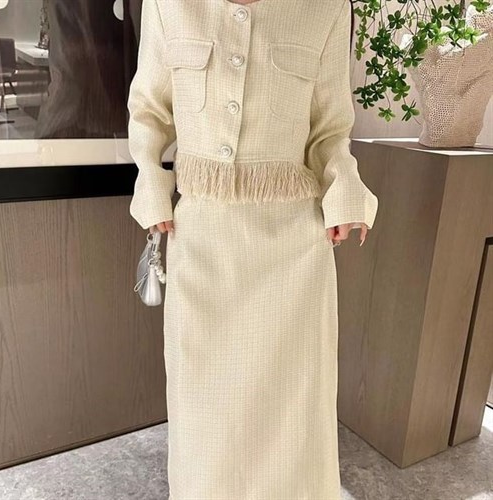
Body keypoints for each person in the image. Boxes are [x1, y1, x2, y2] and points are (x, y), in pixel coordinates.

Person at [127, 0, 379, 498]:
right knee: (202, 406)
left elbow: (330, 130)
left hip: (292, 252)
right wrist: (151, 181)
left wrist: (344, 190)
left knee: (294, 409)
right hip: (201, 242)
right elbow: (150, 110)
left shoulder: (326, 8)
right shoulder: (168, 4)